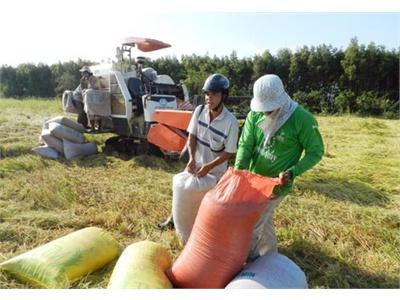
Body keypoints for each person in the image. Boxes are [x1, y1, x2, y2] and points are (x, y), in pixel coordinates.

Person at [234, 74, 324, 262]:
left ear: (281, 101)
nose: (265, 113)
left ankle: (248, 264)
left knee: (252, 223)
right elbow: (245, 145)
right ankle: (270, 258)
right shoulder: (255, 115)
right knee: (263, 222)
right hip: (254, 180)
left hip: (277, 185)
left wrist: (293, 171)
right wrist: (239, 173)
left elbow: (316, 152)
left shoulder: (301, 119)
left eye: (269, 109)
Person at [158, 73, 239, 229]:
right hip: (196, 165)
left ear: (224, 96)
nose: (209, 98)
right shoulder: (200, 111)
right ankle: (173, 220)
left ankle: (204, 230)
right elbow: (192, 136)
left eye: (214, 94)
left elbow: (229, 152)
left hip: (215, 173)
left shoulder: (231, 122)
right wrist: (191, 159)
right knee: (182, 193)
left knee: (210, 205)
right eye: (207, 94)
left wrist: (208, 167)